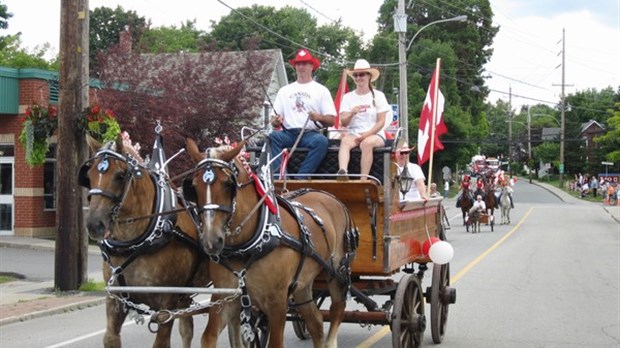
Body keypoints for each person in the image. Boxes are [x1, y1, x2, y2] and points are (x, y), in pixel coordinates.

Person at [269, 48, 336, 179]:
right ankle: (279, 176)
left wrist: (319, 117)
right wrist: (276, 120)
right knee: (272, 137)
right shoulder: (284, 91)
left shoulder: (321, 90)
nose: (301, 67)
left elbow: (332, 120)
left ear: (312, 66)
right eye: (298, 64)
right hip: (288, 133)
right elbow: (273, 121)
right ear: (295, 67)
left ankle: (302, 176)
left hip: (310, 134)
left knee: (321, 141)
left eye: (305, 63)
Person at [337, 59, 390, 180]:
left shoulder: (378, 95)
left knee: (367, 143)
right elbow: (344, 122)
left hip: (375, 133)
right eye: (355, 75)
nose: (358, 77)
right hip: (354, 133)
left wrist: (366, 134)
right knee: (344, 142)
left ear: (369, 76)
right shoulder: (348, 97)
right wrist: (351, 114)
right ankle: (343, 172)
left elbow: (381, 121)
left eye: (361, 74)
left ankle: (363, 178)